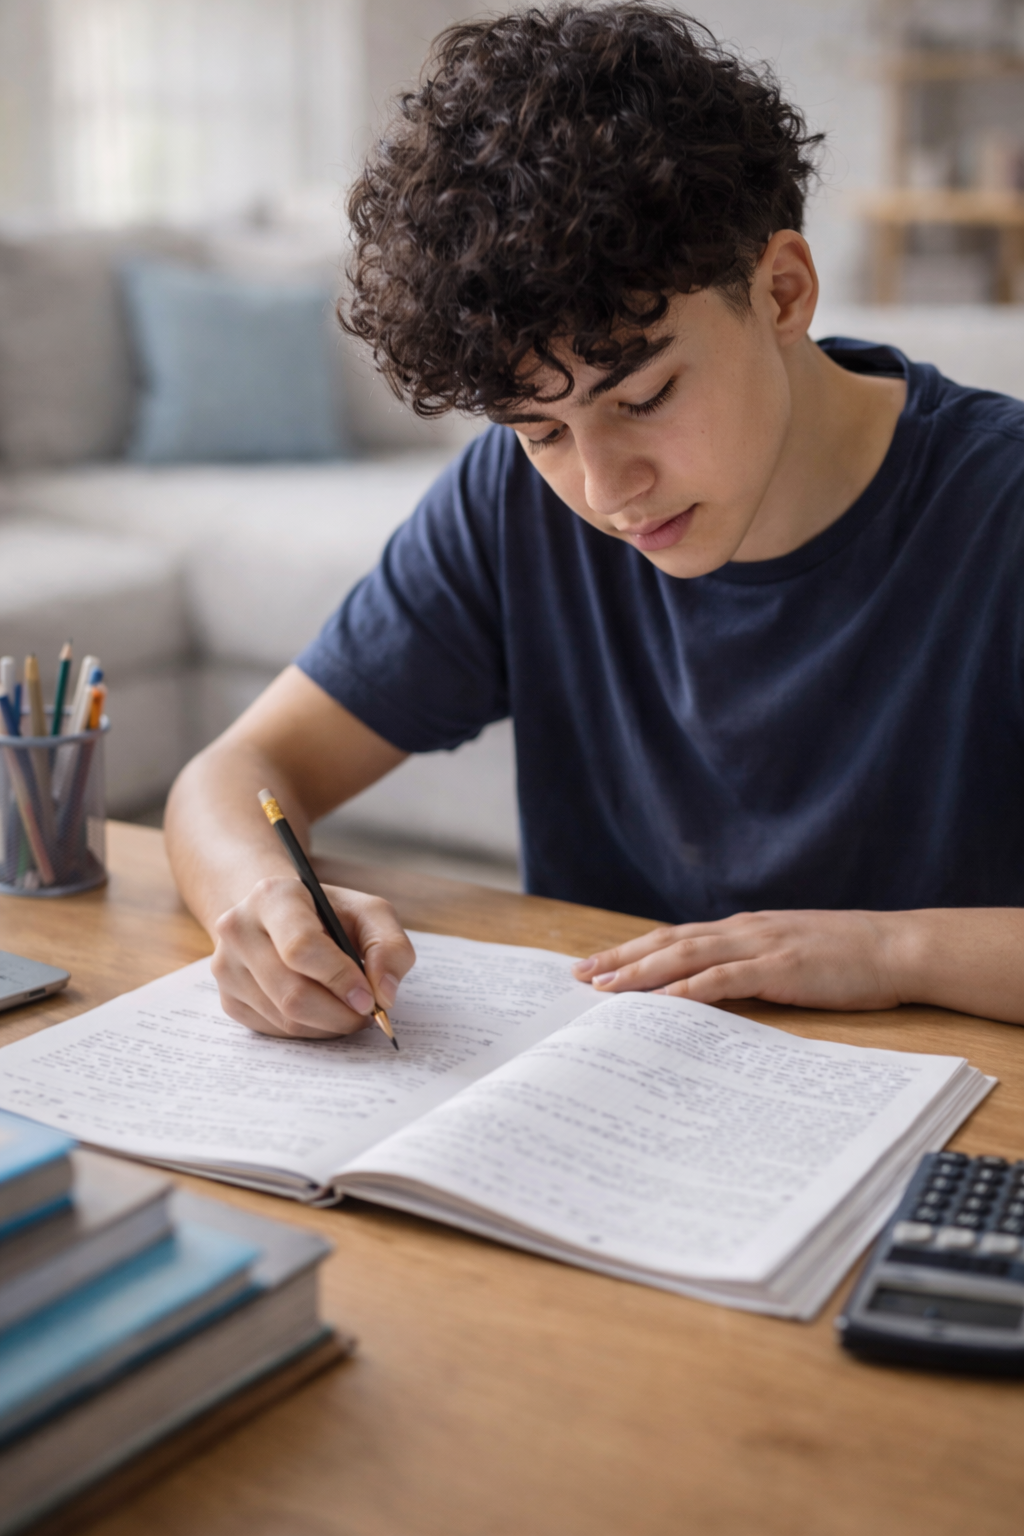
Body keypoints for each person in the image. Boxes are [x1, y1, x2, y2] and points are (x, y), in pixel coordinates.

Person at [166, 1, 1024, 1038]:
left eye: (645, 399)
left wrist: (893, 950)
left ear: (782, 291)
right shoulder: (510, 501)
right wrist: (265, 903)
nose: (607, 491)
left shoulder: (1000, 510)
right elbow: (233, 777)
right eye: (542, 430)